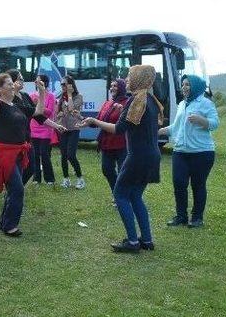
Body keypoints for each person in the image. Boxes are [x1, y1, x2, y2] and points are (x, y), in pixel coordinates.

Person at [79, 65, 163, 252]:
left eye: (130, 75)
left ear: (139, 78)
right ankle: (146, 240)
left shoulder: (136, 100)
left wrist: (94, 121)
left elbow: (119, 129)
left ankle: (132, 242)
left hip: (138, 156)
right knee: (135, 195)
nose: (126, 79)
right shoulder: (150, 99)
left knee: (120, 194)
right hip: (152, 155)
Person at [0, 73, 48, 237]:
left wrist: (42, 92)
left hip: (19, 152)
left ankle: (3, 222)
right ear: (0, 88)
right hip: (4, 154)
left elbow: (39, 112)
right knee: (17, 189)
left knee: (14, 188)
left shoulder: (15, 104)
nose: (12, 85)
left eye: (11, 82)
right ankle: (10, 226)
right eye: (8, 83)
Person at [158, 74, 220, 228]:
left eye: (187, 85)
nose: (184, 88)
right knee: (179, 183)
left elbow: (215, 123)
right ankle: (181, 216)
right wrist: (159, 131)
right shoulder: (181, 104)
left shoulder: (206, 103)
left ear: (196, 86)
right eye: (183, 84)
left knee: (198, 185)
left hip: (202, 152)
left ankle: (197, 218)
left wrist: (201, 120)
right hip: (180, 152)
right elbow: (176, 127)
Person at [96, 79, 129, 202]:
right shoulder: (107, 104)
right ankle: (117, 193)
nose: (112, 88)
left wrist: (121, 111)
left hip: (122, 144)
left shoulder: (127, 102)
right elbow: (98, 121)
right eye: (111, 86)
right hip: (107, 144)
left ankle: (122, 196)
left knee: (122, 173)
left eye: (115, 86)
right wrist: (81, 117)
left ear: (121, 87)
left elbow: (127, 122)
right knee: (107, 170)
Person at [56, 75, 85, 189]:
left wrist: (68, 95)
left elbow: (72, 109)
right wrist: (58, 116)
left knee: (71, 155)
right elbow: (57, 114)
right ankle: (66, 179)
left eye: (64, 84)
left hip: (74, 128)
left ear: (70, 85)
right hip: (64, 129)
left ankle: (80, 179)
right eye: (61, 84)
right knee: (63, 155)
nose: (62, 86)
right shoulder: (61, 98)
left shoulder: (78, 96)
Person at [29, 74, 56, 185]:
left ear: (44, 83)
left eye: (39, 81)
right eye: (36, 81)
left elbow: (49, 112)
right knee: (35, 154)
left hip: (46, 129)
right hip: (33, 128)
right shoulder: (31, 96)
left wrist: (39, 105)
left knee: (44, 153)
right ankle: (36, 178)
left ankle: (49, 179)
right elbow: (30, 111)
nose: (36, 83)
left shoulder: (51, 96)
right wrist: (35, 105)